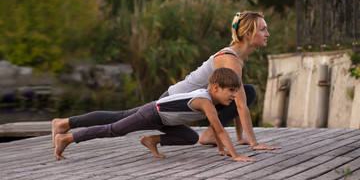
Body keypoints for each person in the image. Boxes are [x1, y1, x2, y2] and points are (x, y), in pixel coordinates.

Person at [52, 11, 280, 150]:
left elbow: (236, 97)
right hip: (171, 103)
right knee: (120, 119)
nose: (267, 33)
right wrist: (254, 143)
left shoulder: (237, 58)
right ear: (248, 34)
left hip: (184, 105)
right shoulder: (229, 59)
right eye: (263, 29)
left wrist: (240, 138)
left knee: (248, 91)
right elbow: (238, 104)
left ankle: (66, 124)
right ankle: (65, 125)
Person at [54, 68, 256, 162]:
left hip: (165, 120)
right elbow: (219, 129)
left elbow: (216, 129)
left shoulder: (210, 100)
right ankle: (67, 137)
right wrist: (236, 156)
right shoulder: (205, 100)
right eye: (231, 91)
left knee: (191, 137)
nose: (234, 95)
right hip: (151, 113)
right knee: (113, 130)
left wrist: (222, 149)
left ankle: (152, 140)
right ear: (216, 87)